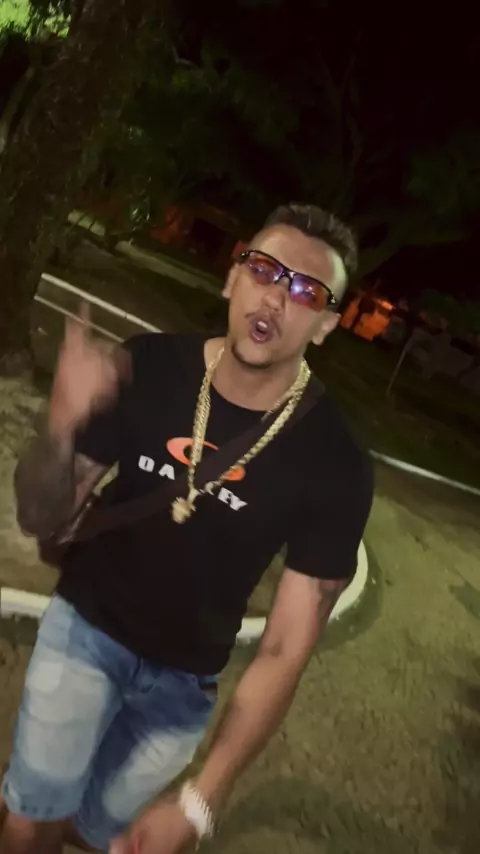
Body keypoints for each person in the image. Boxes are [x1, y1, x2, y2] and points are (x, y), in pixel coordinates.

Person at [0, 203, 373, 854]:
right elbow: (39, 516)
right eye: (264, 269)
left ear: (325, 325)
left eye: (306, 291)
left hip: (180, 690)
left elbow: (286, 646)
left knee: (100, 834)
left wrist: (203, 800)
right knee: (32, 825)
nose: (275, 297)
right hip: (85, 632)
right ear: (232, 278)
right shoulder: (149, 367)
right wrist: (61, 426)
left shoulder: (335, 463)